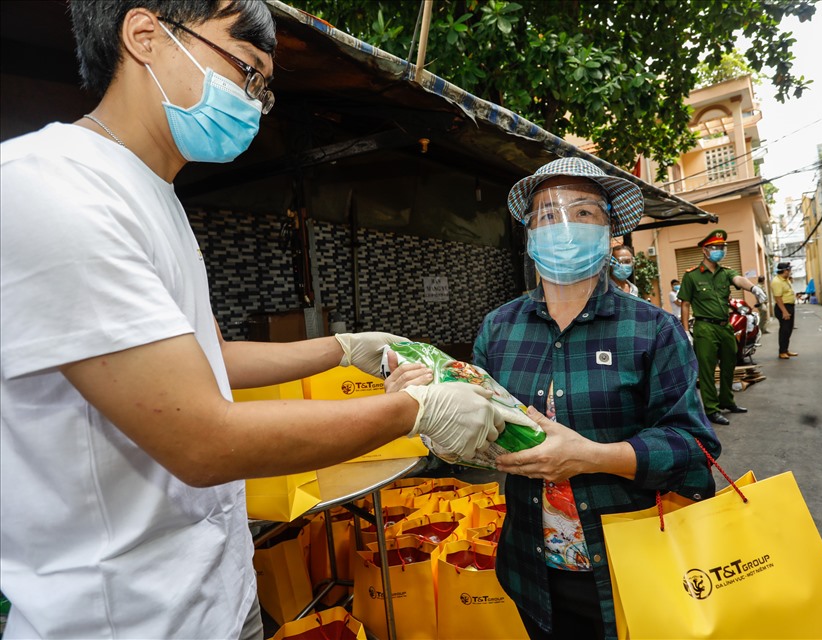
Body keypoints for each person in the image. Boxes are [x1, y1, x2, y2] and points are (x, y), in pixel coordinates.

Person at [0, 3, 503, 638]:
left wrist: (343, 347)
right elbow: (202, 439)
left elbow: (211, 358)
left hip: (215, 590)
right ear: (145, 35)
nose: (253, 103)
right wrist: (414, 411)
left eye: (262, 88)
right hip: (122, 615)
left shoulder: (155, 194)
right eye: (245, 70)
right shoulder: (54, 187)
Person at [469, 157, 720, 639]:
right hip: (531, 572)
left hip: (633, 570)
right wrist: (430, 404)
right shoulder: (499, 328)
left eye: (583, 212)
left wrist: (592, 457)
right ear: (530, 236)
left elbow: (694, 448)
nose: (563, 226)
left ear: (609, 232)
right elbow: (475, 429)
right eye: (547, 214)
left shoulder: (653, 329)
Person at [678, 229, 767, 425]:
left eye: (722, 247)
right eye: (715, 247)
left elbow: (738, 279)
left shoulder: (725, 272)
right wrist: (685, 331)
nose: (720, 250)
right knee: (707, 370)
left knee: (730, 364)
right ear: (705, 250)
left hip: (725, 326)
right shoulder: (692, 276)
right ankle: (711, 409)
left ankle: (727, 400)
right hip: (705, 327)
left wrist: (753, 287)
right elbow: (685, 304)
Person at [771, 261, 798, 359]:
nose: (790, 271)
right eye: (789, 270)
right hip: (783, 307)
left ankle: (786, 350)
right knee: (784, 330)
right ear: (785, 271)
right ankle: (782, 351)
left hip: (789, 306)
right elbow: (778, 298)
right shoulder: (777, 282)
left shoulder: (785, 279)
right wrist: (784, 311)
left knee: (789, 329)